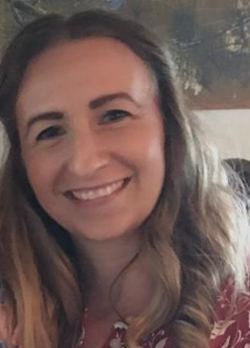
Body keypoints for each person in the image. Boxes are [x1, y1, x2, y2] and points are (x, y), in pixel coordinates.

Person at [0, 10, 249, 348]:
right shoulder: (13, 310)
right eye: (49, 131)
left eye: (115, 115)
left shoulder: (239, 307)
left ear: (170, 129)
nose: (84, 162)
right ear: (23, 164)